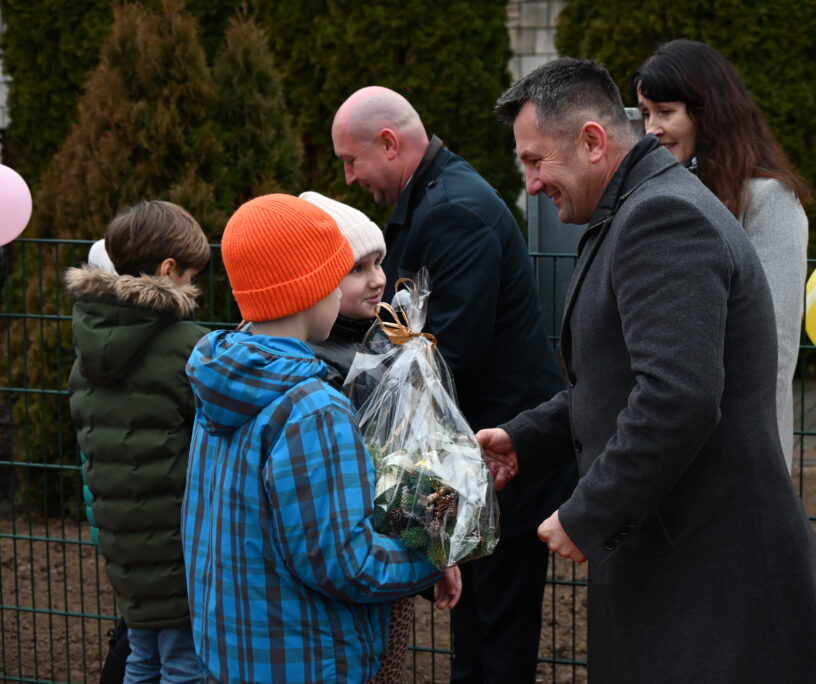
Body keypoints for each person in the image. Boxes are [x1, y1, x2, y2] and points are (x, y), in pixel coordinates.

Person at [481, 57, 816, 684]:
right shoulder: (637, 207)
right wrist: (526, 438)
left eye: (534, 160)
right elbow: (617, 379)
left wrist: (588, 511)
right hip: (685, 570)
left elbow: (678, 396)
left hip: (714, 585)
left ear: (593, 142)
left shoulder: (661, 217)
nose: (531, 183)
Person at [331, 86, 574, 683]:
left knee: (495, 640)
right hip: (476, 463)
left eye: (351, 161)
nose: (350, 177)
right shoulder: (438, 201)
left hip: (501, 462)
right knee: (480, 631)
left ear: (388, 144)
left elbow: (442, 359)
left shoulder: (453, 211)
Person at [180, 194, 459, 684]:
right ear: (313, 286)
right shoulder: (313, 406)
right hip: (311, 660)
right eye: (338, 276)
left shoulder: (222, 379)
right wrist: (436, 548)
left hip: (239, 651)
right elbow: (350, 564)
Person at [632, 38, 810, 470]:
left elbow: (775, 347)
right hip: (673, 446)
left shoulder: (769, 200)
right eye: (645, 114)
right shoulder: (662, 193)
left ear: (706, 113)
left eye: (666, 112)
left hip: (740, 453)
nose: (651, 128)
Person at [66, 200, 211, 684]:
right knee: (184, 665)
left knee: (142, 657)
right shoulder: (190, 348)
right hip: (181, 548)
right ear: (168, 270)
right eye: (191, 276)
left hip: (124, 547)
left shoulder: (84, 357)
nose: (193, 288)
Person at [298, 190, 413, 684]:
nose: (378, 280)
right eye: (357, 269)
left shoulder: (376, 336)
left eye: (379, 262)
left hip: (391, 554)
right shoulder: (315, 364)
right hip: (357, 566)